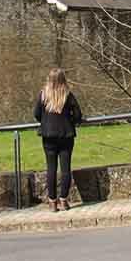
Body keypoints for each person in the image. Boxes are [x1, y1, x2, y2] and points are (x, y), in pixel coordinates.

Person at [33, 68, 83, 212]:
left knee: (51, 169)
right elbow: (78, 115)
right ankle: (64, 200)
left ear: (49, 79)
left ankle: (52, 202)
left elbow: (36, 114)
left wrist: (46, 121)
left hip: (48, 135)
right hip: (66, 135)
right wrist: (70, 120)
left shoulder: (43, 95)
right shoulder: (67, 94)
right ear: (63, 79)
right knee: (65, 169)